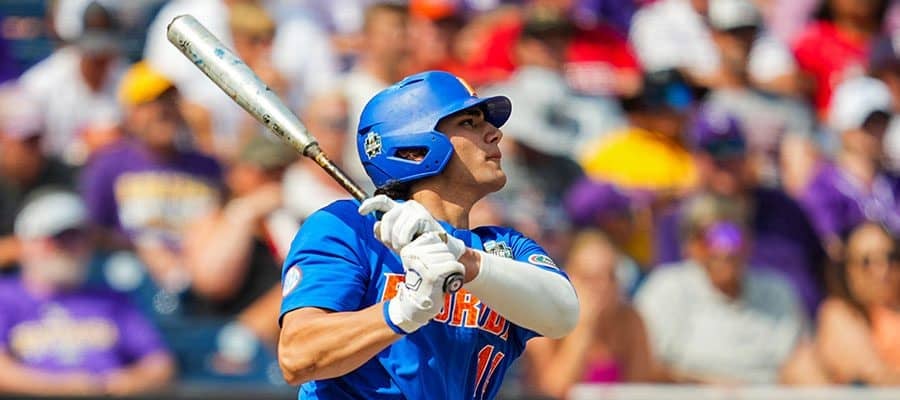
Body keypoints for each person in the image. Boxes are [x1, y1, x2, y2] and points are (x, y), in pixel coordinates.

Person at [277, 70, 579, 399]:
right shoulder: (350, 225)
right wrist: (403, 310)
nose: (495, 134)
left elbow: (562, 315)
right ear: (413, 150)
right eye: (469, 123)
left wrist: (460, 257)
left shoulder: (502, 246)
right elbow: (298, 356)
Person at [655, 106, 827, 316]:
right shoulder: (678, 218)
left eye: (734, 148)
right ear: (696, 159)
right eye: (715, 151)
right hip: (732, 329)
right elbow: (669, 291)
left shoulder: (783, 207)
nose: (726, 162)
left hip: (803, 325)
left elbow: (822, 265)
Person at [0, 189, 174, 396]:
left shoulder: (112, 300)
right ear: (29, 244)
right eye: (59, 239)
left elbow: (159, 364)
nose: (72, 248)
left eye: (79, 237)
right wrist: (63, 387)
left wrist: (125, 382)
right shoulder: (6, 297)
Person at [636, 194, 825, 384]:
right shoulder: (667, 289)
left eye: (732, 236)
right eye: (710, 239)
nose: (723, 250)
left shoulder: (778, 291)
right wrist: (705, 384)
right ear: (690, 247)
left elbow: (800, 359)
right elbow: (644, 364)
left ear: (748, 243)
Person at [80, 61, 222, 292]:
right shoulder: (110, 164)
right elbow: (91, 231)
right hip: (134, 279)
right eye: (149, 104)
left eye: (168, 101)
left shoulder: (208, 166)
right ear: (130, 114)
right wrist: (141, 246)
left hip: (202, 279)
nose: (161, 111)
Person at [524, 230, 665, 398]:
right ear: (568, 279)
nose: (603, 286)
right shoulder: (544, 324)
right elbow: (551, 392)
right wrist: (584, 329)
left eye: (611, 276)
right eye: (591, 278)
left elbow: (640, 390)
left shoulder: (630, 319)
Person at [801, 77, 899, 258]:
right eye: (867, 124)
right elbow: (832, 250)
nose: (876, 132)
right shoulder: (822, 189)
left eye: (882, 122)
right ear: (844, 128)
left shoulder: (894, 184)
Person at [0, 85, 75, 272]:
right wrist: (20, 248)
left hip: (51, 276)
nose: (34, 148)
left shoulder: (62, 175)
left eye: (37, 138)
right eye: (26, 140)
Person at [816, 222, 900, 384]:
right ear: (849, 270)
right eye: (866, 261)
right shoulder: (838, 313)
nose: (882, 269)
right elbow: (873, 376)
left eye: (891, 257)